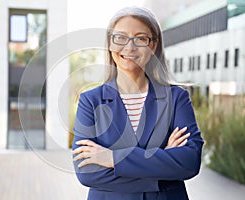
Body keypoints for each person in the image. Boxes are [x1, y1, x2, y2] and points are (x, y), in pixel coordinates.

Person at [72, 6, 203, 200]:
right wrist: (162, 165)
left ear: (153, 45)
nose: (129, 47)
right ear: (110, 43)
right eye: (121, 37)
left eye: (141, 38)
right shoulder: (90, 101)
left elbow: (189, 162)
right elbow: (87, 171)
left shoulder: (176, 98)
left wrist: (113, 158)